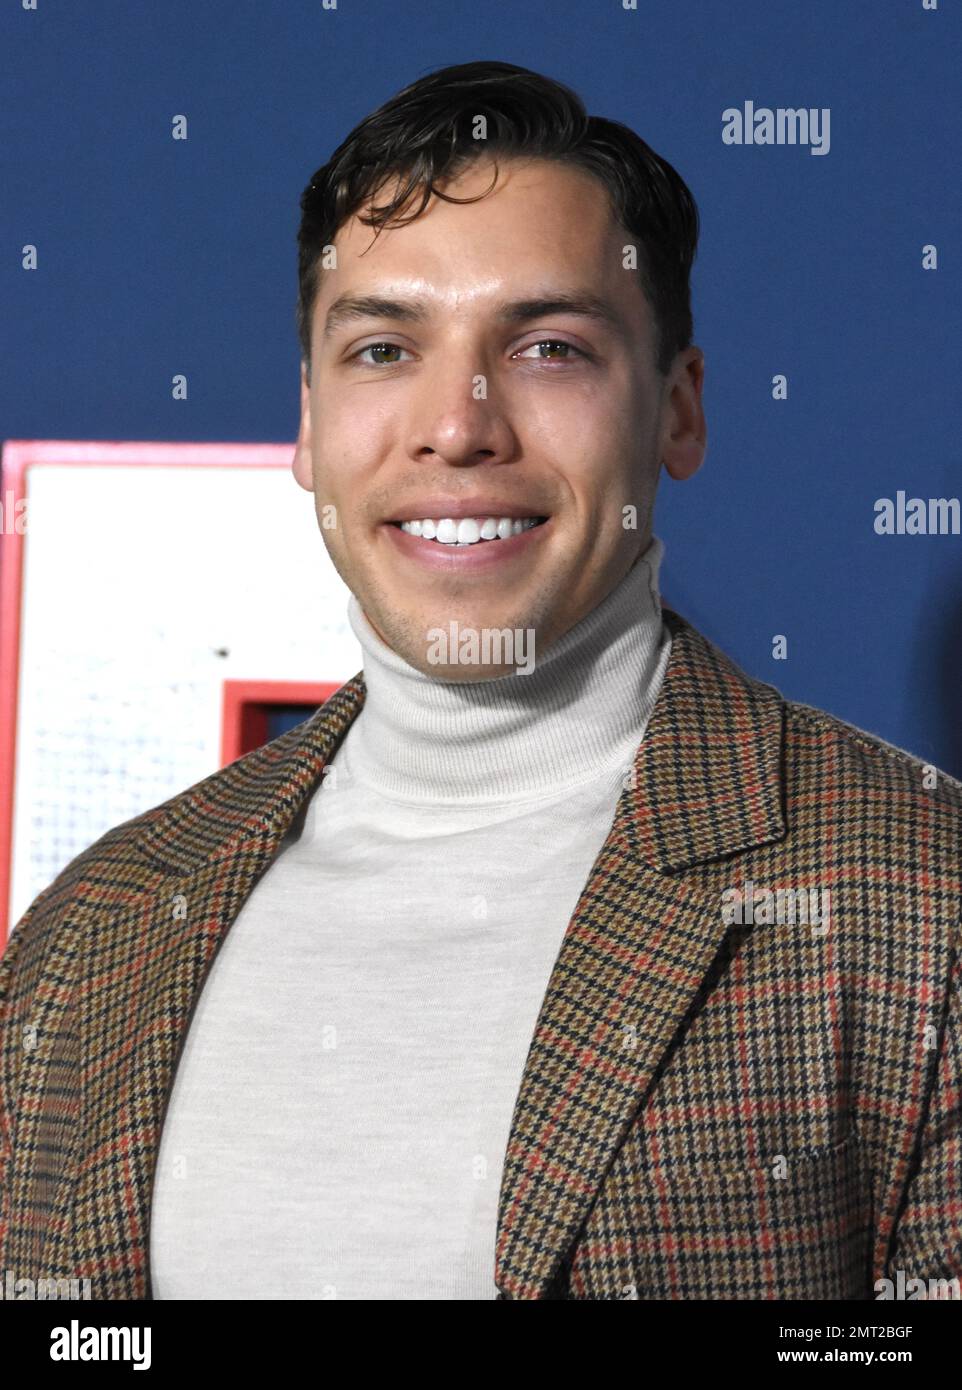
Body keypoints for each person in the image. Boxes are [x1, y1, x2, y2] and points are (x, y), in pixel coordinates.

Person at [1, 60, 960, 1302]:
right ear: (310, 423)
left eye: (549, 348)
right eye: (384, 348)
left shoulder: (919, 902)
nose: (456, 425)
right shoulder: (90, 929)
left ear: (675, 410)